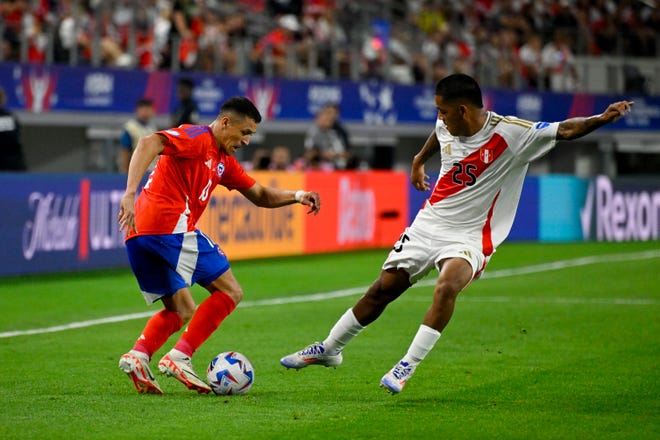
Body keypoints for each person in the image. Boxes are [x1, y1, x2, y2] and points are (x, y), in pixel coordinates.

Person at [280, 73, 633, 394]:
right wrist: (419, 160)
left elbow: (564, 130)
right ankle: (330, 349)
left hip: (471, 235)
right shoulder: (447, 122)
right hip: (430, 222)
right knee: (381, 290)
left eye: (444, 111)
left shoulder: (512, 134)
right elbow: (438, 132)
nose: (440, 117)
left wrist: (601, 119)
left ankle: (406, 366)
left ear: (463, 110)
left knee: (447, 285)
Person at [117, 96, 321, 394]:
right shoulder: (197, 138)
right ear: (225, 123)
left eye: (251, 135)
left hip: (138, 236)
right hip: (167, 226)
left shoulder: (224, 162)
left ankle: (139, 355)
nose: (247, 141)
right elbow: (149, 142)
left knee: (182, 308)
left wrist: (298, 195)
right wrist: (128, 193)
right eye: (244, 132)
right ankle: (180, 357)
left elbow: (260, 194)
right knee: (230, 291)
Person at [118, 98, 157, 173]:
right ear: (137, 110)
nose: (146, 112)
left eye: (148, 109)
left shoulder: (152, 128)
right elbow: (124, 150)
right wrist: (126, 171)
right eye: (143, 109)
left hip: (151, 170)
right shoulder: (130, 128)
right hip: (136, 171)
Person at [0, 87, 27, 171]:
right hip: (13, 163)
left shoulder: (8, 117)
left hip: (11, 165)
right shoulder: (9, 117)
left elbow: (11, 138)